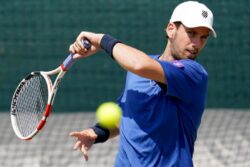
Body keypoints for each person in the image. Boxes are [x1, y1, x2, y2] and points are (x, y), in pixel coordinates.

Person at [69, 1, 216, 166]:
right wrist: (97, 132)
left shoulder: (194, 74)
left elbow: (139, 64)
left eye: (203, 37)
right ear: (171, 29)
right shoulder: (137, 71)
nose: (196, 44)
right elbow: (127, 115)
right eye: (191, 33)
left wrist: (101, 40)